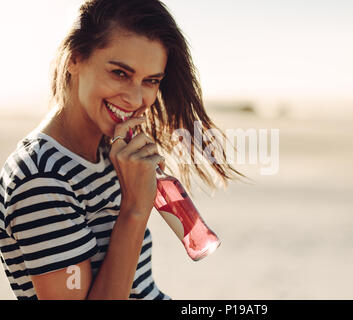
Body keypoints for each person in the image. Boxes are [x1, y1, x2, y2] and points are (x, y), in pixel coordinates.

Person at [0, 0, 243, 300]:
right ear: (76, 58)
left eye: (151, 81)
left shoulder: (112, 150)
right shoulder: (42, 179)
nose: (135, 98)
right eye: (120, 73)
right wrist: (134, 210)